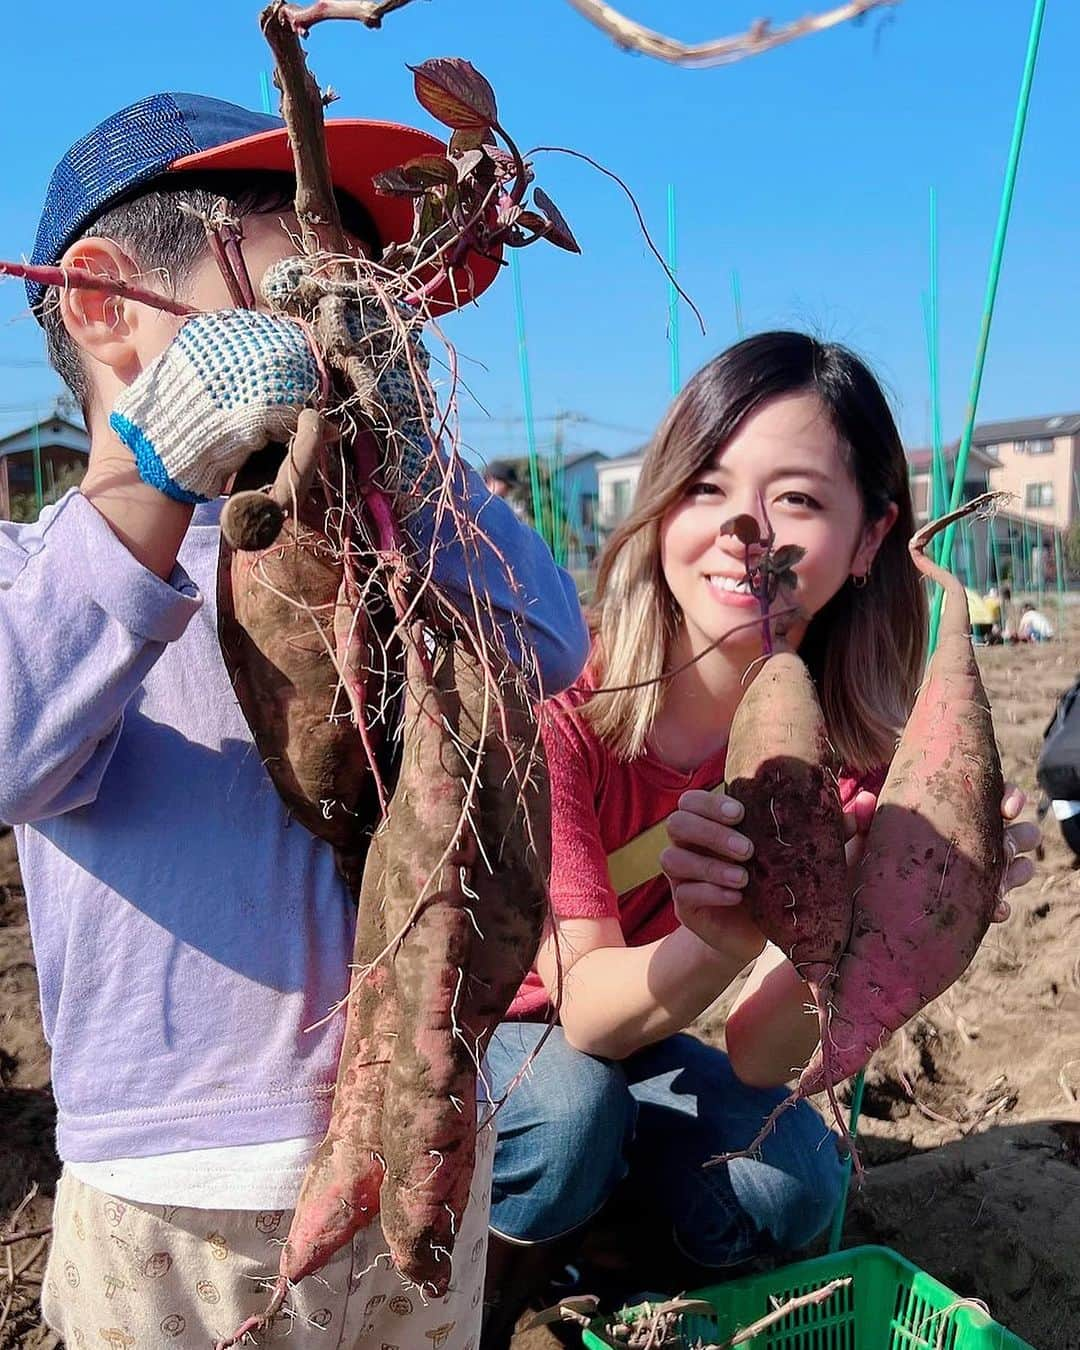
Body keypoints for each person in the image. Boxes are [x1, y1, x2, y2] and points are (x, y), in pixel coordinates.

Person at [1, 93, 589, 1350]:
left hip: (417, 1134)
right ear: (104, 303)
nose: (348, 330)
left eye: (370, 303)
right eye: (304, 289)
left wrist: (415, 462)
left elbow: (548, 647)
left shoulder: (392, 542)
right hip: (177, 1191)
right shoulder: (40, 570)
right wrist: (147, 476)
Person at [479, 333, 1039, 1341]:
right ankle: (487, 1286)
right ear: (659, 513)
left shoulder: (848, 760)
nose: (750, 530)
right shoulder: (561, 708)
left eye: (801, 500)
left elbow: (756, 1048)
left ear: (870, 539)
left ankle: (605, 1249)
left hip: (642, 1049)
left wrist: (910, 929)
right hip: (494, 1042)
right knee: (570, 1118)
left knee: (795, 1185)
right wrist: (721, 939)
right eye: (708, 487)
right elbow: (594, 1015)